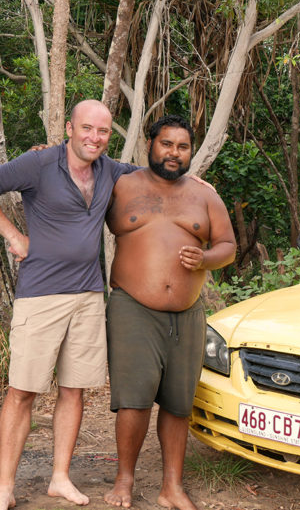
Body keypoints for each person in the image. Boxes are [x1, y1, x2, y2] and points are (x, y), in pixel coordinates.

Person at [0, 99, 138, 510]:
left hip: (88, 296)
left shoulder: (110, 170)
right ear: (69, 128)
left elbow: (153, 176)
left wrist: (194, 181)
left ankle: (60, 478)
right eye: (87, 128)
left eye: (103, 131)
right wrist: (13, 235)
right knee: (22, 391)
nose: (95, 137)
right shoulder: (39, 164)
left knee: (73, 390)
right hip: (41, 296)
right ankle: (5, 490)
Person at [102, 115, 236, 509]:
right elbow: (78, 186)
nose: (174, 153)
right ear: (151, 144)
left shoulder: (204, 195)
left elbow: (227, 246)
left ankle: (171, 487)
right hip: (132, 307)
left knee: (179, 403)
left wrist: (205, 259)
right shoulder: (122, 186)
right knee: (134, 399)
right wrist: (49, 155)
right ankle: (124, 480)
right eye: (166, 144)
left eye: (182, 146)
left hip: (187, 312)